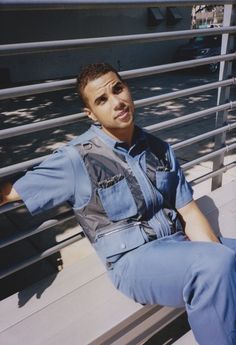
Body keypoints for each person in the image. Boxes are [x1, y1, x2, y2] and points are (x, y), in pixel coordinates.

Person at [1, 63, 236, 345]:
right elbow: (10, 193)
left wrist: (217, 259)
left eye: (118, 88)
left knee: (222, 261)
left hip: (179, 245)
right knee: (215, 265)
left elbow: (189, 212)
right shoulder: (78, 159)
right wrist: (216, 264)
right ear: (91, 114)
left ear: (127, 88)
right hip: (133, 263)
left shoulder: (159, 148)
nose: (117, 102)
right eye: (102, 99)